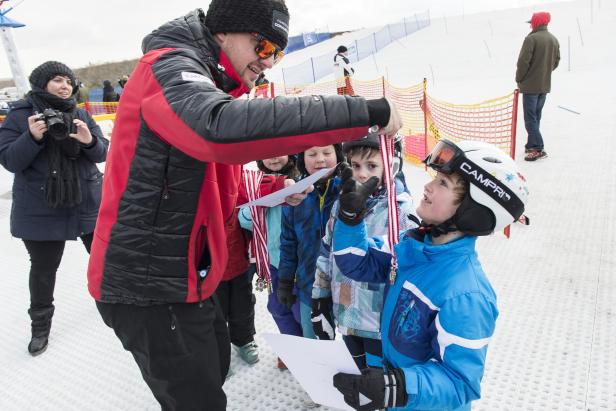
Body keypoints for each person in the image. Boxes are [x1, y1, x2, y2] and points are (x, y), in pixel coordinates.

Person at [87, 0, 402, 409]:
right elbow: (218, 130)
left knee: (215, 369)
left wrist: (273, 188)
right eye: (264, 46)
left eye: (278, 52)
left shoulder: (208, 81)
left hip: (191, 277)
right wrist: (364, 112)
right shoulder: (168, 69)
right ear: (224, 32)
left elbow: (215, 177)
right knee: (197, 400)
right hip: (149, 286)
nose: (268, 61)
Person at [331, 139, 528, 410]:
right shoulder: (412, 249)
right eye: (435, 178)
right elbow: (355, 263)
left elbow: (461, 383)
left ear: (473, 212)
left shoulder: (465, 295)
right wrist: (350, 218)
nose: (427, 186)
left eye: (443, 183)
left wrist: (396, 386)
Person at [0, 60, 109, 356]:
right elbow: (9, 159)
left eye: (68, 81)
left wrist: (89, 142)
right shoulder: (21, 114)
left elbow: (103, 151)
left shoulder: (81, 112)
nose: (65, 86)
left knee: (103, 259)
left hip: (85, 200)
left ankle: (115, 306)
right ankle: (40, 327)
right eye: (57, 80)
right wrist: (32, 137)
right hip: (41, 206)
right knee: (44, 270)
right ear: (41, 83)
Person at [311, 133, 417, 370]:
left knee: (376, 381)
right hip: (347, 315)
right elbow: (327, 251)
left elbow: (408, 266)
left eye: (371, 166)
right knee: (355, 376)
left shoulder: (401, 211)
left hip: (378, 324)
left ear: (392, 166)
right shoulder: (342, 204)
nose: (361, 174)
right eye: (355, 165)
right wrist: (320, 298)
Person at [238, 155, 302, 370]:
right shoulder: (255, 183)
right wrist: (259, 206)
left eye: (280, 152)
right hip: (272, 262)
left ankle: (308, 347)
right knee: (277, 307)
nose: (274, 157)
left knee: (299, 309)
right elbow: (244, 220)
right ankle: (291, 347)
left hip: (297, 263)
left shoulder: (298, 180)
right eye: (267, 153)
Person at [276, 144, 344, 339]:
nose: (320, 159)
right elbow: (288, 243)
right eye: (312, 154)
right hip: (310, 286)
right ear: (302, 159)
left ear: (338, 154)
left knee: (352, 348)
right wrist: (286, 281)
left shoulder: (348, 191)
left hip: (346, 289)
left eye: (327, 152)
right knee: (315, 340)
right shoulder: (295, 196)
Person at [516, 11, 560, 161]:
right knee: (536, 117)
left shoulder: (531, 39)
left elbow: (523, 62)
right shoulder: (554, 39)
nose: (530, 26)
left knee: (530, 118)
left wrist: (519, 78)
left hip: (530, 86)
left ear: (537, 22)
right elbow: (556, 62)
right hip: (544, 86)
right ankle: (531, 144)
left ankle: (537, 148)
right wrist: (544, 73)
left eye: (531, 23)